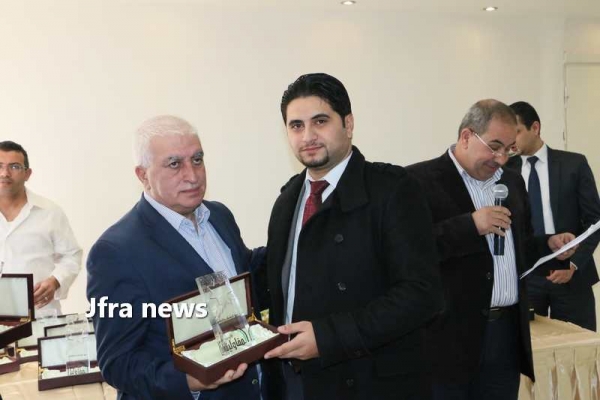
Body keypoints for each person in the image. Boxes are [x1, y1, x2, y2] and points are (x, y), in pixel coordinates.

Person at [261, 73, 443, 400]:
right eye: (296, 126)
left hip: (370, 381)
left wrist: (328, 337)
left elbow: (421, 294)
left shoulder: (392, 189)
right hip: (295, 381)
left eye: (320, 121)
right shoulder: (286, 200)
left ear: (348, 123)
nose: (308, 136)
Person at [406, 99, 577, 400]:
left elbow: (521, 247)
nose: (501, 158)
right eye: (494, 147)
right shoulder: (416, 181)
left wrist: (549, 245)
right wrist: (470, 225)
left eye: (509, 149)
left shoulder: (512, 182)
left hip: (505, 337)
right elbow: (409, 253)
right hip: (447, 340)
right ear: (466, 136)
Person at [86, 116, 265, 400]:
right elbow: (117, 363)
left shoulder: (219, 216)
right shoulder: (115, 252)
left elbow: (243, 281)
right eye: (174, 164)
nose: (192, 175)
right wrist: (188, 380)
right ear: (143, 175)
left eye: (197, 159)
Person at [505, 101, 600, 331]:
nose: (511, 141)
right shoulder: (504, 171)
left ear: (535, 128)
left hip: (572, 275)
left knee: (579, 345)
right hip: (527, 277)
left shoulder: (573, 164)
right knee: (528, 346)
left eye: (517, 132)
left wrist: (573, 264)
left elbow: (595, 221)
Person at [0, 140, 81, 315]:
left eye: (14, 167)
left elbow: (72, 255)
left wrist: (55, 281)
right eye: (0, 166)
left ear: (27, 174)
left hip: (39, 313)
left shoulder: (50, 212)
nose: (5, 173)